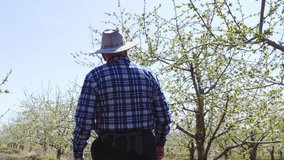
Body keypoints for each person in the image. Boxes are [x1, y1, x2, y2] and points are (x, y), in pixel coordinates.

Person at [72, 28, 171, 160]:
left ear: (103, 55)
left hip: (108, 149)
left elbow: (84, 122)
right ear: (126, 50)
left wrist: (78, 153)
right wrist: (159, 144)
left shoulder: (94, 77)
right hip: (144, 148)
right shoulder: (149, 76)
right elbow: (163, 117)